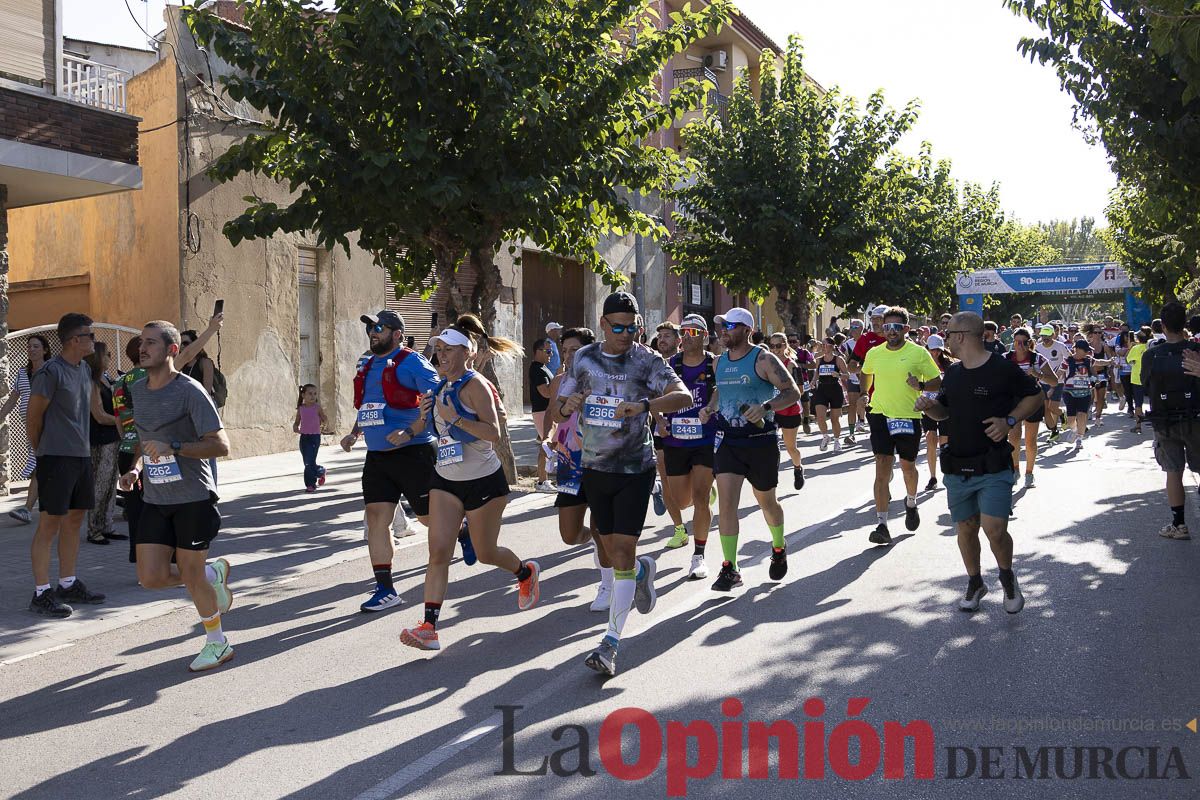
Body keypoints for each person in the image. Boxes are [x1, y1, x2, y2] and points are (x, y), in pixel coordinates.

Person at [551, 291, 692, 676]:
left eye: (632, 328)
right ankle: (644, 573)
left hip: (635, 468)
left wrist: (645, 406)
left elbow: (681, 396)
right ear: (602, 324)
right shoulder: (584, 358)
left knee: (623, 553)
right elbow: (558, 407)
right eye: (618, 327)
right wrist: (569, 405)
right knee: (611, 553)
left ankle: (610, 643)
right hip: (594, 468)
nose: (626, 334)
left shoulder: (648, 360)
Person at [399, 326, 541, 651]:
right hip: (446, 479)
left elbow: (493, 433)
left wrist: (456, 418)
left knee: (487, 552)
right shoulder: (438, 388)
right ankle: (428, 628)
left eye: (449, 349)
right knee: (438, 552)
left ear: (468, 353)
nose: (442, 355)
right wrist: (421, 421)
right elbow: (434, 429)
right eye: (439, 349)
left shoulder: (476, 385)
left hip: (483, 481)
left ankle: (524, 572)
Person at [117, 320, 234, 671]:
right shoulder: (137, 390)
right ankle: (212, 575)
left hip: (193, 497)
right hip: (154, 497)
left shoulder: (190, 391)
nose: (142, 348)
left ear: (171, 350)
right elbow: (144, 438)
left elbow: (221, 446)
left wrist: (176, 446)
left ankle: (218, 642)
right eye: (141, 343)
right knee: (149, 577)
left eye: (151, 343)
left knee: (190, 573)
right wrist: (136, 467)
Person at [915, 312, 1042, 614]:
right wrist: (929, 406)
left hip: (993, 464)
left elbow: (1035, 396)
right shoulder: (954, 374)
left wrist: (1010, 420)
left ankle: (1007, 577)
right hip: (958, 465)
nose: (945, 339)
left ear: (961, 336)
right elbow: (943, 412)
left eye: (947, 334)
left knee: (994, 528)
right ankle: (975, 582)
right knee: (966, 529)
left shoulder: (1002, 368)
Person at [340, 310, 441, 613]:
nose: (373, 331)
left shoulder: (412, 361)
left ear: (397, 333)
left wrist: (412, 429)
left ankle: (461, 532)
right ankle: (385, 588)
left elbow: (436, 393)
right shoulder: (369, 364)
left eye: (380, 327)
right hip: (377, 457)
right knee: (375, 521)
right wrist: (354, 433)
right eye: (371, 327)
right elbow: (371, 404)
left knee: (427, 519)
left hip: (414, 453)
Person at [698, 306, 801, 591]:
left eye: (729, 326)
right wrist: (710, 407)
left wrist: (765, 407)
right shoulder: (719, 362)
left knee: (766, 502)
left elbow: (793, 392)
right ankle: (730, 567)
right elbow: (721, 390)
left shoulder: (763, 358)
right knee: (727, 504)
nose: (723, 331)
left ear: (745, 329)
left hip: (761, 442)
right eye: (721, 326)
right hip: (729, 441)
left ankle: (779, 547)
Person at [26, 313, 106, 617]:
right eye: (90, 335)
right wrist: (42, 451)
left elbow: (93, 411)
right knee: (49, 525)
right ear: (75, 340)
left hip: (81, 457)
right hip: (55, 458)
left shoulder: (84, 369)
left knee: (74, 521)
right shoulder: (50, 372)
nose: (94, 341)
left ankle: (68, 583)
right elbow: (33, 418)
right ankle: (41, 593)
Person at [860, 306, 943, 545]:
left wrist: (920, 385)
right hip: (879, 415)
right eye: (887, 327)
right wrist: (865, 393)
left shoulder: (918, 353)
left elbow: (937, 382)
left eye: (896, 327)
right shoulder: (874, 353)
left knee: (907, 467)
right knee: (881, 466)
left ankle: (911, 501)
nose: (891, 331)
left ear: (906, 329)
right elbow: (866, 373)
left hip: (908, 416)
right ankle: (882, 524)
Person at [548, 327, 613, 610]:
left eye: (574, 350)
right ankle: (603, 547)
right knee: (569, 534)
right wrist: (549, 439)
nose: (568, 355)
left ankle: (608, 583)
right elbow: (555, 415)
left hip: (601, 460)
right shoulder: (561, 380)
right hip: (569, 461)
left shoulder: (605, 377)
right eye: (564, 351)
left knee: (602, 529)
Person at [660, 315, 718, 578]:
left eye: (694, 330)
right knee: (682, 501)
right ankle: (697, 493)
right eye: (684, 330)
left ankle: (699, 556)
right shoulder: (669, 365)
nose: (687, 335)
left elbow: (722, 390)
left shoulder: (714, 363)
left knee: (701, 499)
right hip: (675, 440)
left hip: (705, 439)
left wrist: (710, 407)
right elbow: (655, 395)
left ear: (704, 335)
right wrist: (658, 418)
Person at [1141, 302, 1200, 540]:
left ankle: (1179, 525)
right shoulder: (1196, 351)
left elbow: (1145, 384)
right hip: (1197, 418)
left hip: (1165, 421)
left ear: (1163, 326)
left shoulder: (1152, 355)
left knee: (1173, 471)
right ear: (1185, 324)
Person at [2, 334, 50, 524]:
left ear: (45, 350)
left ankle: (28, 509)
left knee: (41, 466)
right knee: (41, 466)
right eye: (29, 346)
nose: (31, 349)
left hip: (50, 425)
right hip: (32, 429)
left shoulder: (51, 370)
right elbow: (12, 400)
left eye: (36, 346)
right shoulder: (22, 373)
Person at [649, 321, 687, 536]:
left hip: (690, 428)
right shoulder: (653, 365)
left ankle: (704, 490)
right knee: (665, 479)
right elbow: (651, 397)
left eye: (667, 336)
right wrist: (659, 419)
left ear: (678, 340)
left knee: (688, 485)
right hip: (661, 428)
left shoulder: (687, 363)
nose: (662, 340)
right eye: (660, 336)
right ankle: (679, 529)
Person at [84, 343, 122, 545]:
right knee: (99, 485)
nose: (110, 357)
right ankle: (94, 529)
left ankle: (107, 525)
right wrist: (122, 421)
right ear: (98, 357)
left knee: (111, 485)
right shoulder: (92, 382)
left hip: (114, 437)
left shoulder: (107, 379)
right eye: (107, 354)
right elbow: (98, 415)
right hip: (100, 439)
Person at [1005, 328, 1050, 488]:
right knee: (1014, 437)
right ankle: (1015, 468)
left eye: (1024, 342)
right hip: (1014, 401)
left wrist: (1038, 374)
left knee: (1030, 441)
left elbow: (1055, 381)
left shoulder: (1038, 359)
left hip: (1033, 400)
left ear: (1030, 343)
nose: (1020, 345)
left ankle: (1029, 473)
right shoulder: (1006, 358)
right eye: (1017, 342)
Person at [767, 333, 806, 489]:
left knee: (790, 447)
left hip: (790, 410)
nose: (775, 349)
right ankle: (770, 481)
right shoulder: (766, 363)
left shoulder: (791, 365)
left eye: (779, 345)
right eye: (772, 346)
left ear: (785, 346)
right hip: (771, 410)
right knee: (770, 446)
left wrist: (783, 393)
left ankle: (798, 468)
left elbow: (801, 390)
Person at [918, 335, 955, 491]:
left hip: (945, 407)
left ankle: (947, 473)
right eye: (932, 350)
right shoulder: (921, 364)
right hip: (927, 407)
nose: (934, 353)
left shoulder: (950, 366)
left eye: (937, 350)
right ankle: (933, 477)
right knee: (930, 439)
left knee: (944, 443)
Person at [1059, 340, 1110, 451]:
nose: (1087, 353)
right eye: (1085, 350)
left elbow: (1099, 362)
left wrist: (1110, 361)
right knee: (1071, 419)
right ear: (1077, 349)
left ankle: (1079, 439)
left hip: (1085, 393)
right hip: (1069, 392)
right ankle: (1074, 430)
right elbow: (1059, 373)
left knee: (1082, 415)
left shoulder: (1088, 360)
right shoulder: (1067, 361)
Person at [810, 335, 850, 452]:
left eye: (825, 345)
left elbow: (847, 375)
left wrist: (838, 375)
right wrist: (813, 381)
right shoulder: (819, 359)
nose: (823, 347)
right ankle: (825, 436)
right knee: (820, 417)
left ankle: (837, 441)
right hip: (822, 389)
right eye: (822, 345)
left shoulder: (838, 359)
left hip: (835, 390)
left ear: (832, 347)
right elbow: (817, 373)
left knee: (834, 419)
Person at [528, 337, 556, 492]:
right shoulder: (537, 369)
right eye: (548, 351)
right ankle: (542, 481)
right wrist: (558, 380)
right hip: (542, 412)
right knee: (547, 445)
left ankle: (543, 480)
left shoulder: (543, 367)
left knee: (549, 445)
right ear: (538, 351)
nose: (550, 354)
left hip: (546, 411)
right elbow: (545, 392)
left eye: (551, 351)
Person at [1034, 325, 1069, 442]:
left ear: (1053, 335)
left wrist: (1061, 371)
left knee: (1053, 407)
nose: (1045, 338)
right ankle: (1054, 431)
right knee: (1045, 410)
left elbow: (1070, 358)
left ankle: (1062, 414)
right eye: (1043, 336)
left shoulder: (1060, 346)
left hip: (1057, 381)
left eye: (1048, 336)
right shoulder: (1037, 348)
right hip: (1043, 381)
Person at [294, 383, 328, 492]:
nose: (313, 396)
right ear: (303, 395)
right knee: (307, 462)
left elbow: (324, 419)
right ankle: (320, 471)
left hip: (315, 437)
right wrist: (295, 426)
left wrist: (324, 423)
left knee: (309, 462)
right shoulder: (301, 408)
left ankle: (310, 484)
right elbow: (297, 421)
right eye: (310, 393)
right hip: (304, 438)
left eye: (315, 394)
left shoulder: (317, 408)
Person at [1127, 329, 1150, 433]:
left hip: (1137, 378)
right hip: (1151, 378)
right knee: (1154, 401)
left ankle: (1138, 425)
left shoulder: (1135, 348)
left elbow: (1130, 361)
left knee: (1138, 403)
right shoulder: (1151, 347)